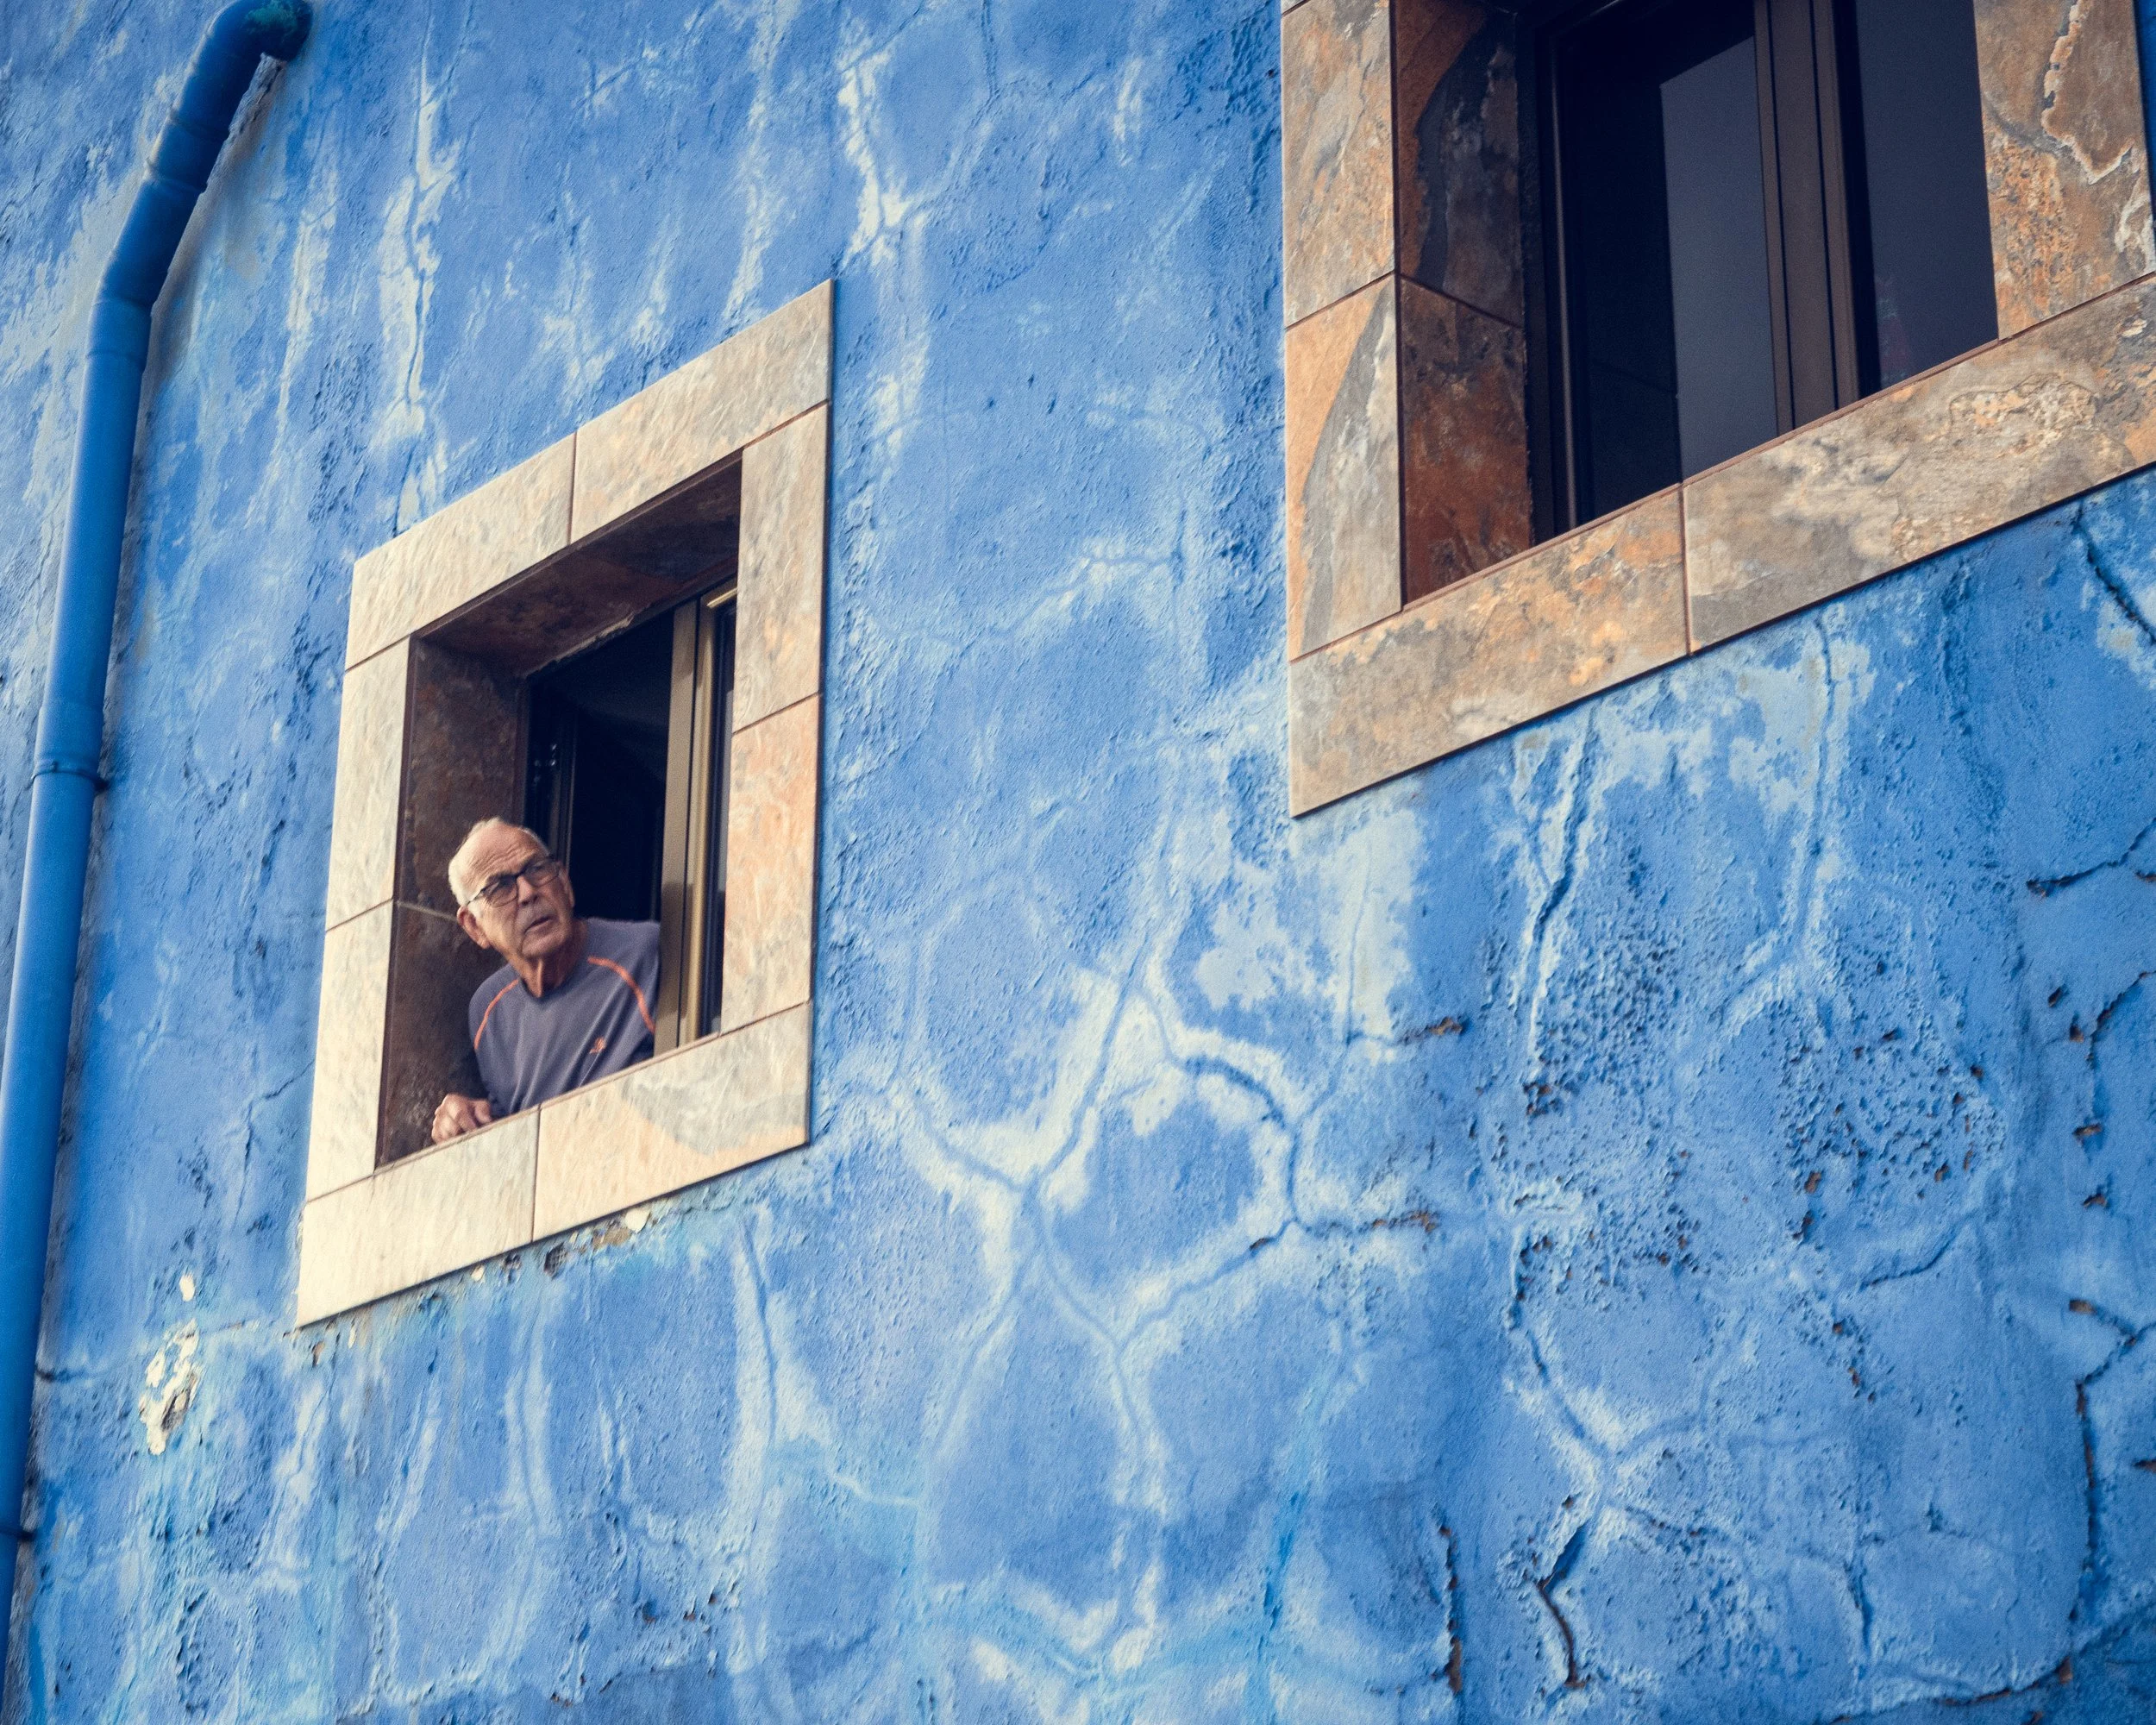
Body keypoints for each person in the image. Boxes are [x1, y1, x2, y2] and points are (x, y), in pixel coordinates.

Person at [430, 818, 660, 1144]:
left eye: (537, 869)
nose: (528, 893)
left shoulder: (647, 953)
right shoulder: (489, 1011)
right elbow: (516, 1132)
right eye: (500, 887)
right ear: (474, 927)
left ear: (564, 883)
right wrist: (465, 1117)